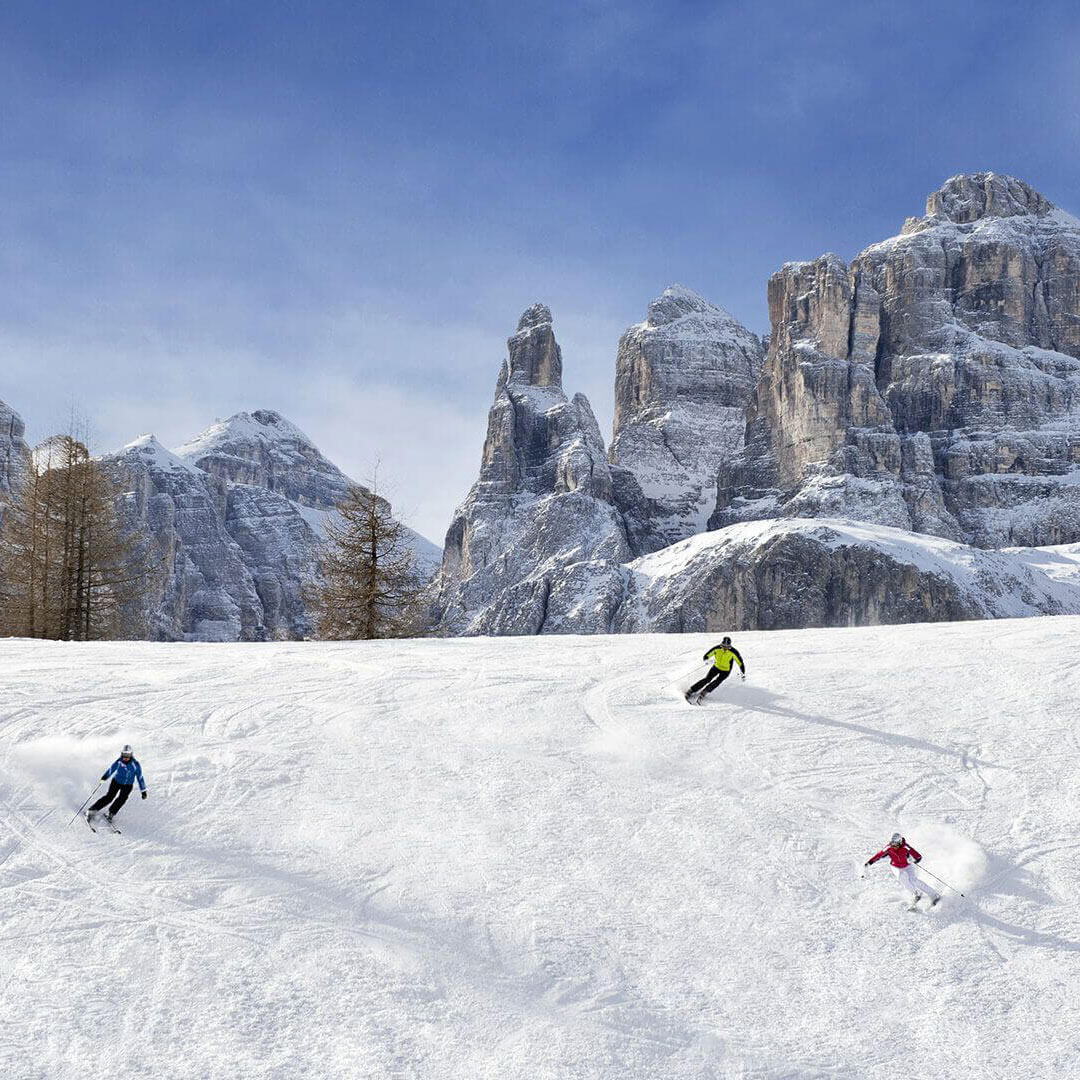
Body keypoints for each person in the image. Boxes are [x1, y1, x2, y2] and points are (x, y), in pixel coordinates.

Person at [864, 833, 940, 906]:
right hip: (895, 866)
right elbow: (878, 855)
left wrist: (915, 860)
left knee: (913, 880)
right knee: (901, 877)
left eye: (895, 845)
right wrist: (869, 862)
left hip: (907, 866)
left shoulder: (905, 847)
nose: (894, 847)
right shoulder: (888, 848)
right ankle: (916, 894)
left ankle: (934, 894)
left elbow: (918, 856)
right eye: (892, 844)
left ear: (900, 843)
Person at [87, 745, 147, 826]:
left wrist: (143, 791)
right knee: (109, 797)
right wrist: (105, 777)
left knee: (122, 799)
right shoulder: (119, 761)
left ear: (131, 755)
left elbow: (140, 777)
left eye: (127, 756)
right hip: (116, 782)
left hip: (128, 785)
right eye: (123, 755)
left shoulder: (135, 765)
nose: (125, 758)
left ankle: (111, 813)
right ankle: (92, 809)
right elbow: (111, 769)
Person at [685, 636, 746, 704]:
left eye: (727, 646)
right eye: (723, 646)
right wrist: (707, 661)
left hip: (726, 670)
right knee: (707, 679)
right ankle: (691, 690)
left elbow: (740, 663)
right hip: (716, 667)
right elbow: (706, 656)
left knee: (718, 681)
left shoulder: (733, 652)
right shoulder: (717, 648)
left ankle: (705, 691)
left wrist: (743, 674)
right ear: (721, 644)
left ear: (730, 646)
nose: (725, 648)